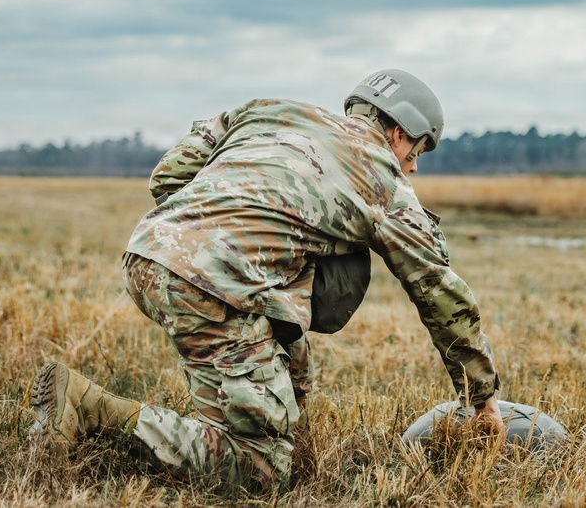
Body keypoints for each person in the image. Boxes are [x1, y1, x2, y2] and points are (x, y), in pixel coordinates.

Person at [28, 69, 503, 489]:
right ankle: (92, 410)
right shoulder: (383, 180)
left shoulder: (270, 113)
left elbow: (167, 175)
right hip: (210, 286)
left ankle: (243, 412)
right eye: (417, 151)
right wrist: (480, 398)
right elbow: (438, 290)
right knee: (260, 467)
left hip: (148, 253)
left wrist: (212, 236)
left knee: (283, 361)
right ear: (399, 132)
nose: (414, 165)